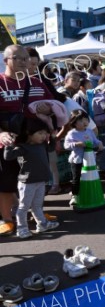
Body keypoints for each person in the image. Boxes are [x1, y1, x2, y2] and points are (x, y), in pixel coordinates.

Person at [0, 45, 55, 236]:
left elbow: (53, 105)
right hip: (8, 142)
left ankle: (35, 213)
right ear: (6, 60)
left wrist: (48, 110)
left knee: (37, 179)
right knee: (7, 183)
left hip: (35, 144)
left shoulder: (37, 83)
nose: (25, 62)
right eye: (19, 58)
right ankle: (7, 220)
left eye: (27, 59)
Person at [3, 118, 59, 239]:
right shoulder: (22, 147)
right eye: (40, 133)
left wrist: (53, 138)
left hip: (40, 181)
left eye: (45, 133)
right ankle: (22, 228)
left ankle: (42, 224)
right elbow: (8, 157)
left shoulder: (43, 145)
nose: (43, 136)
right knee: (23, 207)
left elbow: (51, 148)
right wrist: (9, 145)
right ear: (29, 133)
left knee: (37, 205)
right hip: (27, 183)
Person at [63, 110, 103, 207]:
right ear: (74, 122)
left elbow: (95, 141)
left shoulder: (89, 131)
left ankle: (89, 193)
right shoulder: (72, 133)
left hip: (90, 161)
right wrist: (76, 144)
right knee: (76, 178)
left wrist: (99, 143)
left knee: (91, 176)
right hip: (77, 160)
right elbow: (66, 145)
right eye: (81, 121)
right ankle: (75, 196)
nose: (84, 122)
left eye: (86, 120)